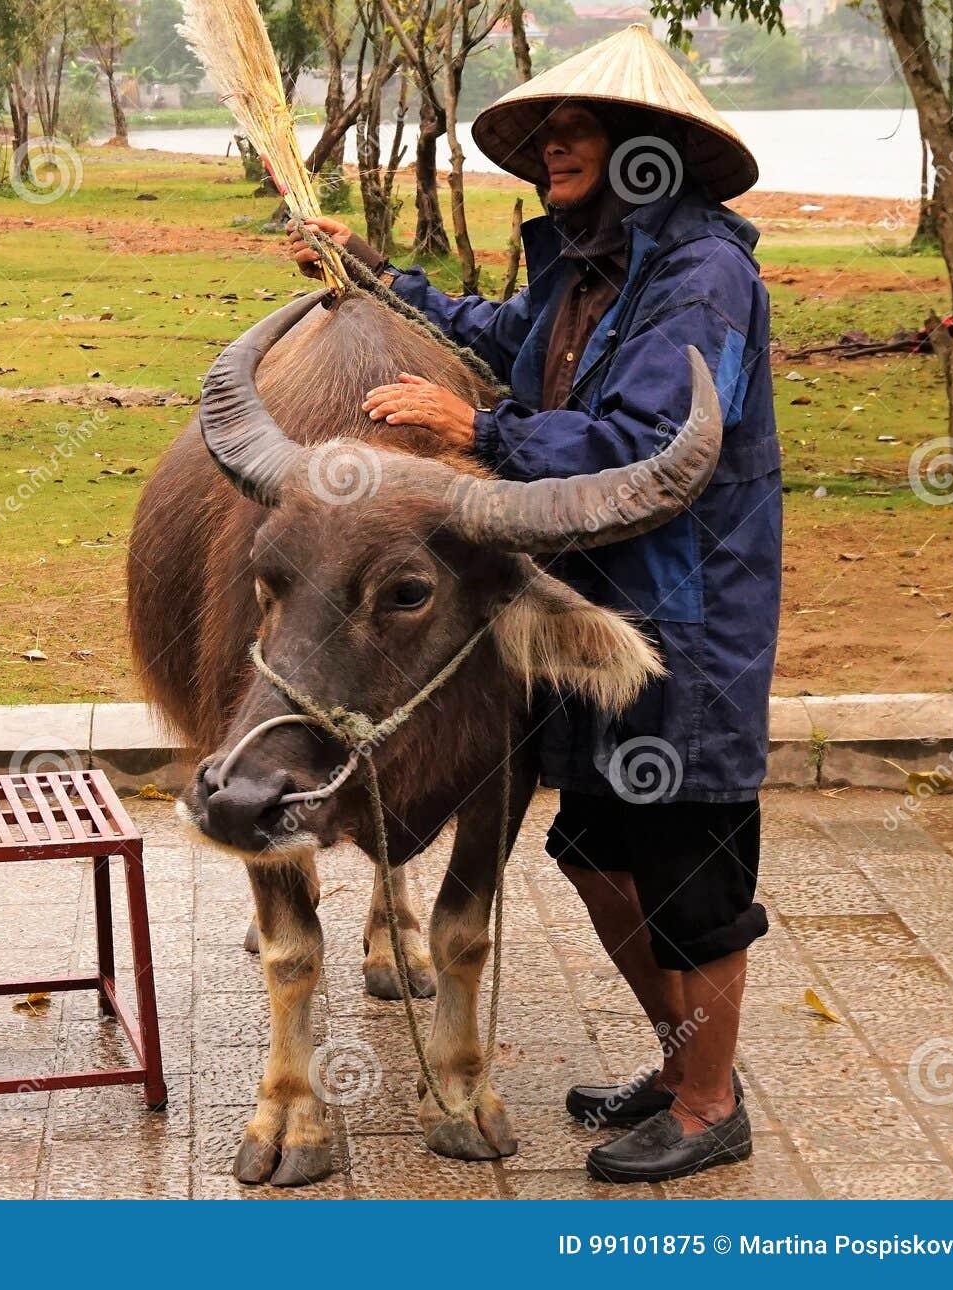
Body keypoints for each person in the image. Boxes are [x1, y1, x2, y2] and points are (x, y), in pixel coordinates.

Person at [287, 24, 781, 1185]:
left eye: (575, 131)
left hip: (683, 621)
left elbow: (653, 445)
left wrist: (481, 431)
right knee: (593, 843)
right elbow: (502, 335)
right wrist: (370, 272)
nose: (551, 149)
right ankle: (676, 1063)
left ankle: (710, 1105)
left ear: (644, 151)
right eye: (545, 134)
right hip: (584, 606)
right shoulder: (584, 266)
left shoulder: (703, 273)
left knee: (692, 869)